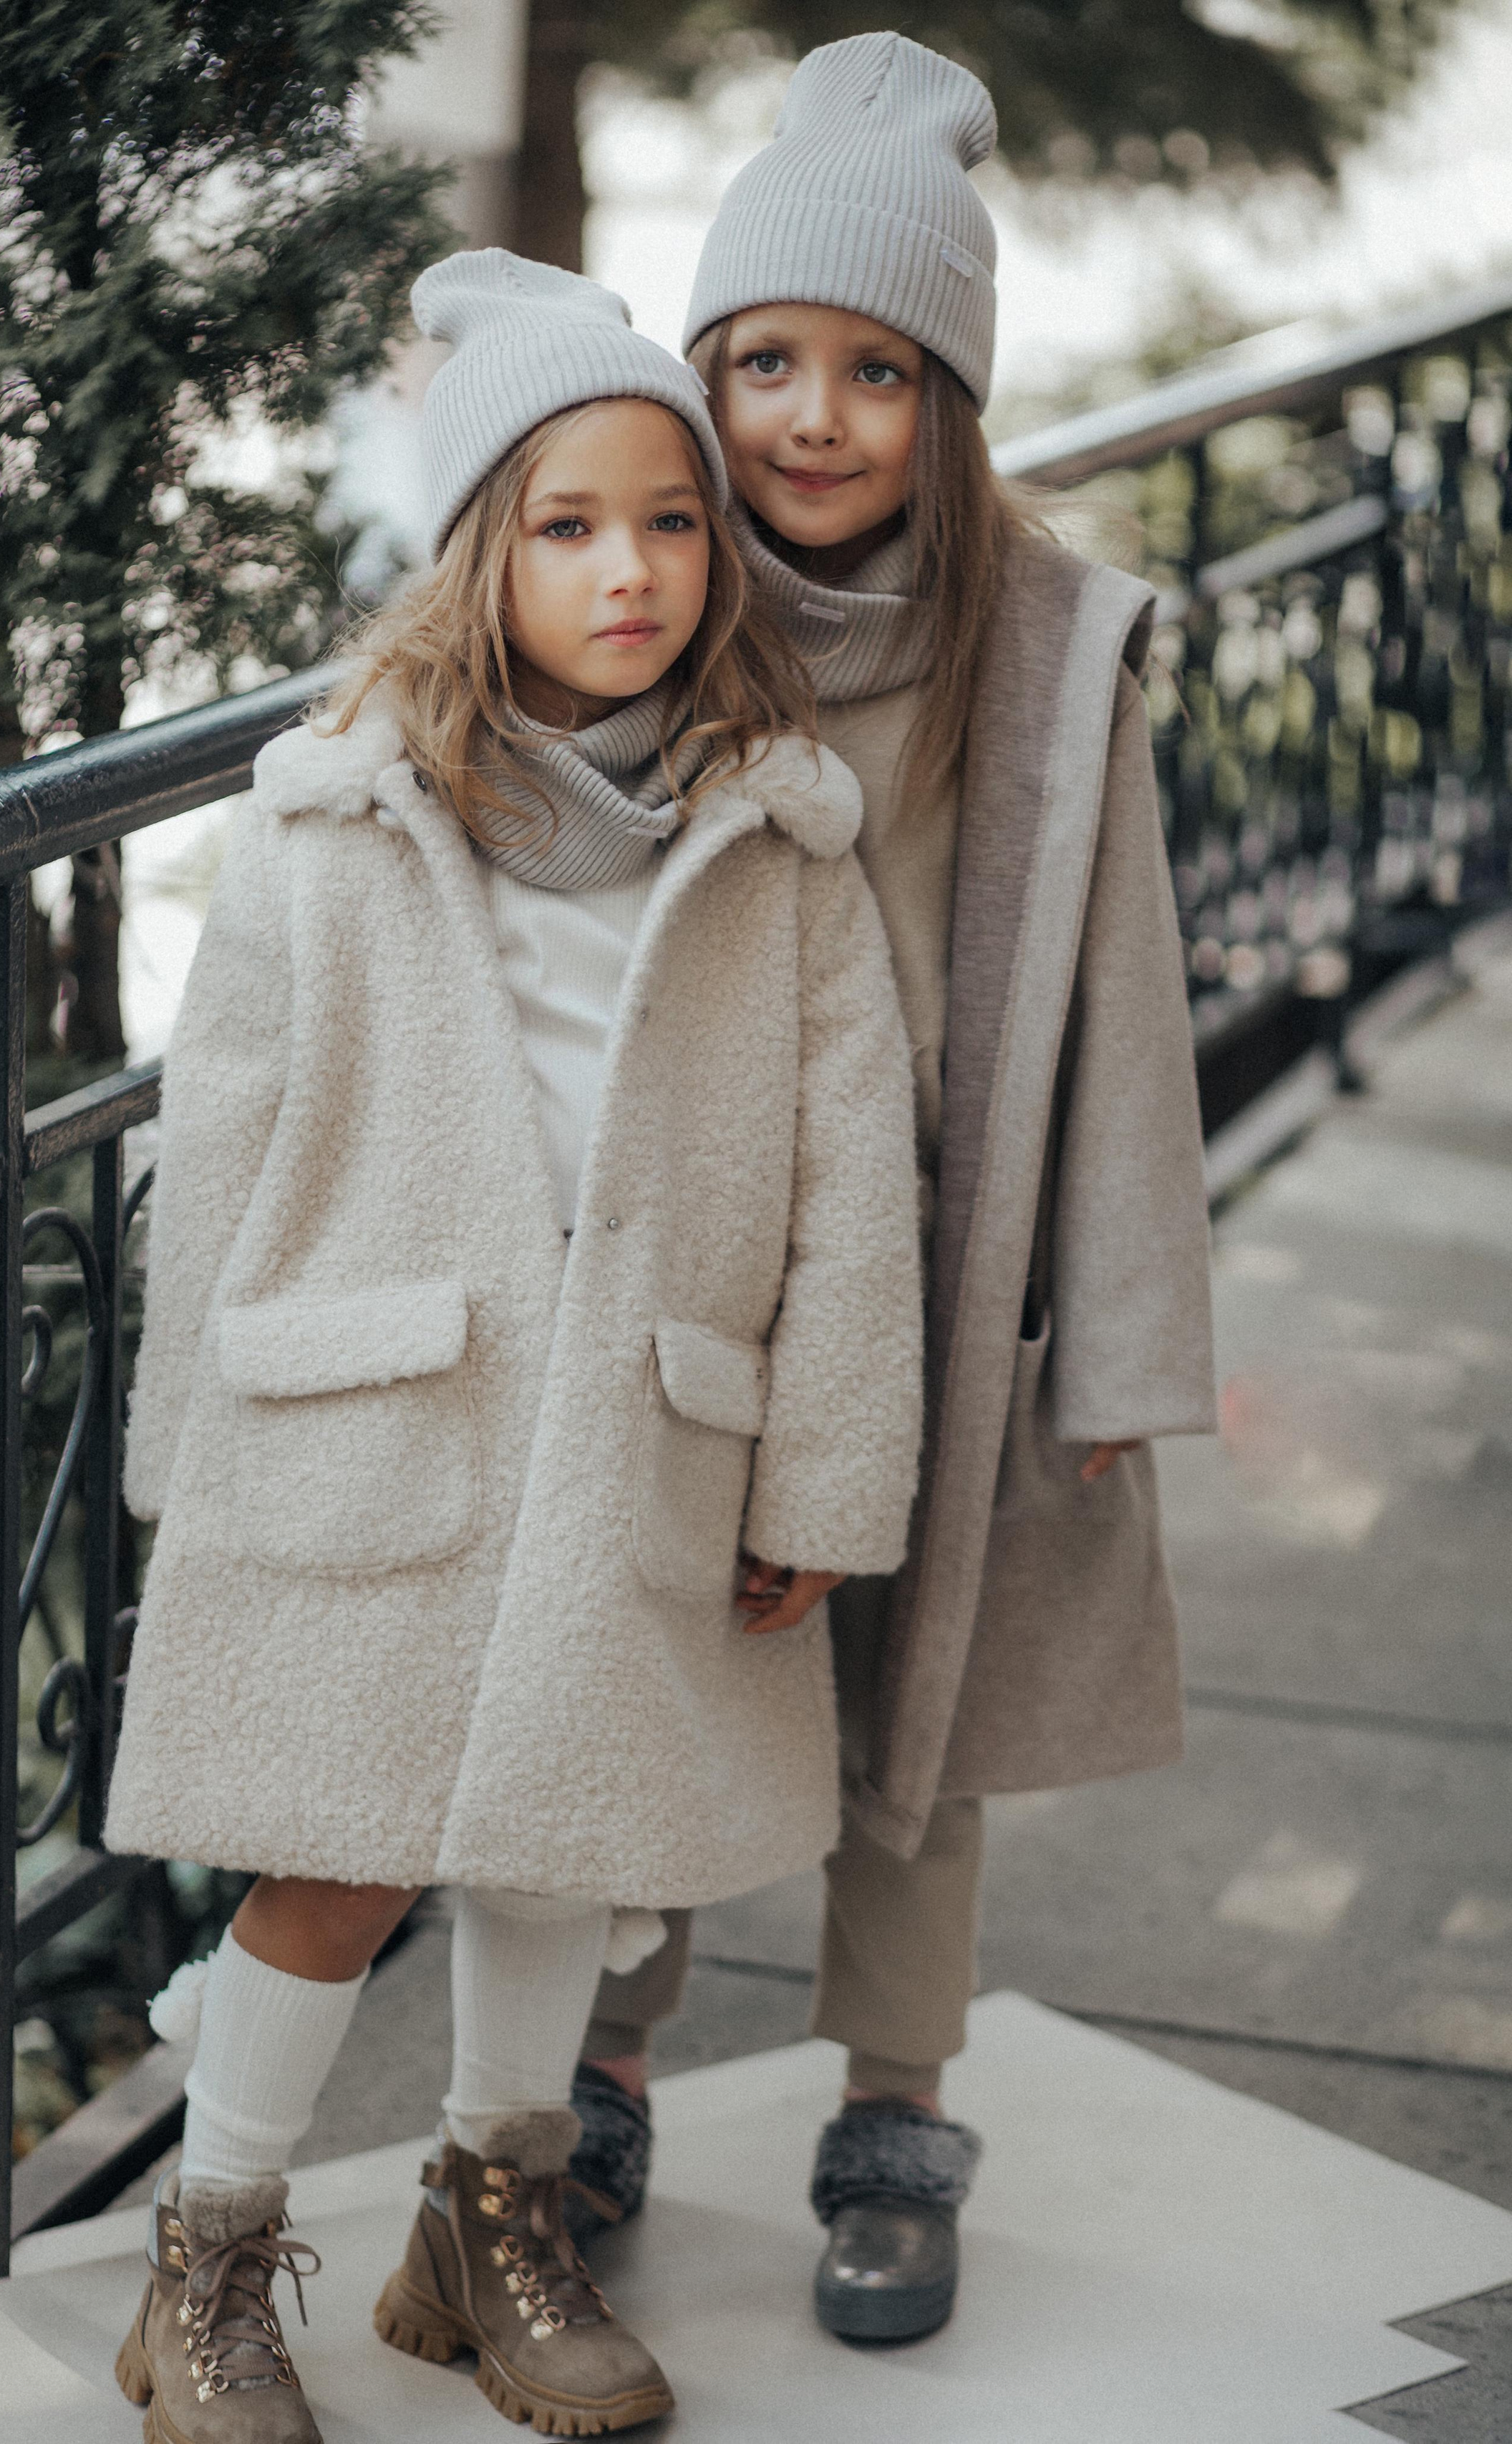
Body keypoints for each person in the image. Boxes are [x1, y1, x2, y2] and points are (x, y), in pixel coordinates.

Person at [102, 248, 926, 2442]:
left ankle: (489, 2215)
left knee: (569, 1834)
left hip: (647, 1426)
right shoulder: (337, 820)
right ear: (483, 549)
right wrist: (195, 1459)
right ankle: (208, 2256)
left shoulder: (773, 836)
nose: (629, 570)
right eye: (569, 526)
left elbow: (852, 1185)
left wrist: (826, 1472)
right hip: (381, 1420)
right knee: (335, 1853)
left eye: (670, 522)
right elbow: (226, 1140)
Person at [567, 33, 1219, 2347]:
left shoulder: (1042, 649)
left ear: (948, 396)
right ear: (702, 373)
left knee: (912, 1715)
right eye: (765, 363)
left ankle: (894, 2110)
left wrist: (1117, 1339)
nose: (816, 419)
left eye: (877, 370)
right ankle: (597, 2064)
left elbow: (1123, 996)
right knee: (651, 1652)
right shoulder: (652, 597)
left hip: (947, 1270)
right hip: (702, 1262)